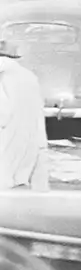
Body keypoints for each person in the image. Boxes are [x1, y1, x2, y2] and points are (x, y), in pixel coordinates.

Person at [0, 36, 48, 191]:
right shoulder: (28, 75)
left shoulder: (3, 75)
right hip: (28, 133)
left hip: (6, 133)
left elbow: (3, 112)